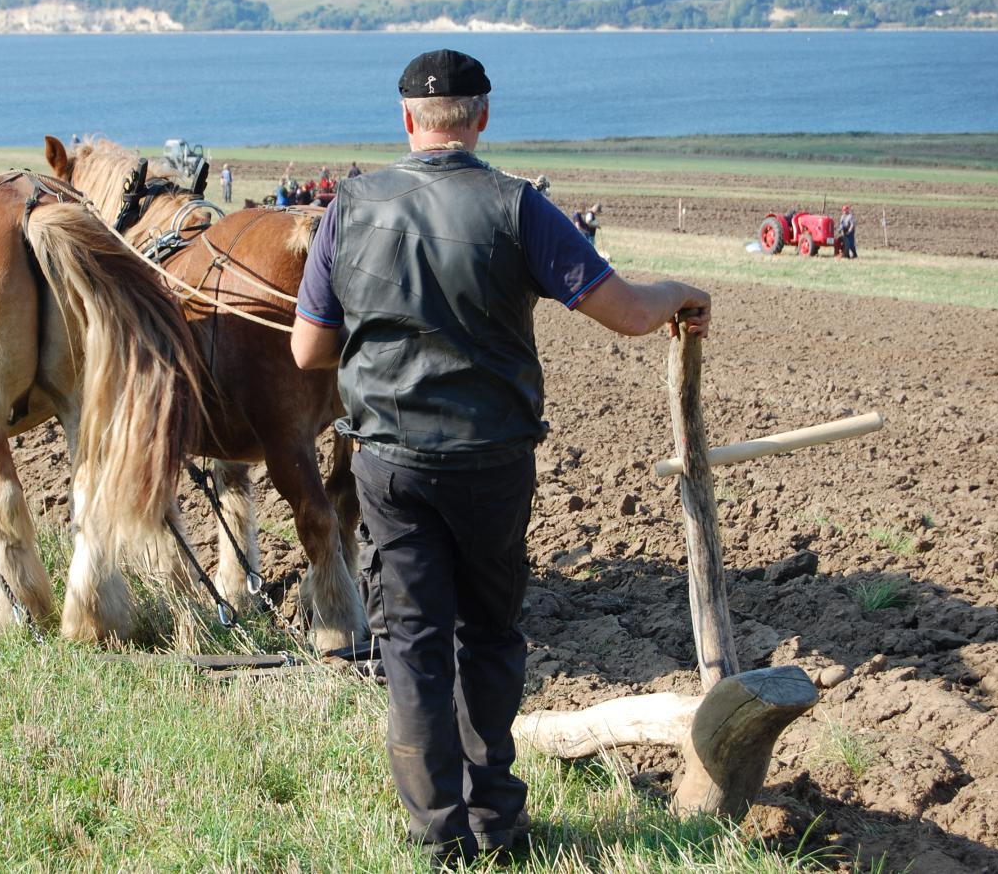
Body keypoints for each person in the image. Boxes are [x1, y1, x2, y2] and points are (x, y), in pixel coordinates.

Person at [290, 48, 711, 868]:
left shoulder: (351, 205)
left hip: (388, 462)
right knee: (488, 637)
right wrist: (681, 296)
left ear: (407, 119)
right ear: (482, 118)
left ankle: (438, 836)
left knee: (412, 644)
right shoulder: (520, 207)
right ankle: (498, 825)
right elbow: (624, 311)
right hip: (491, 462)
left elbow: (309, 349)